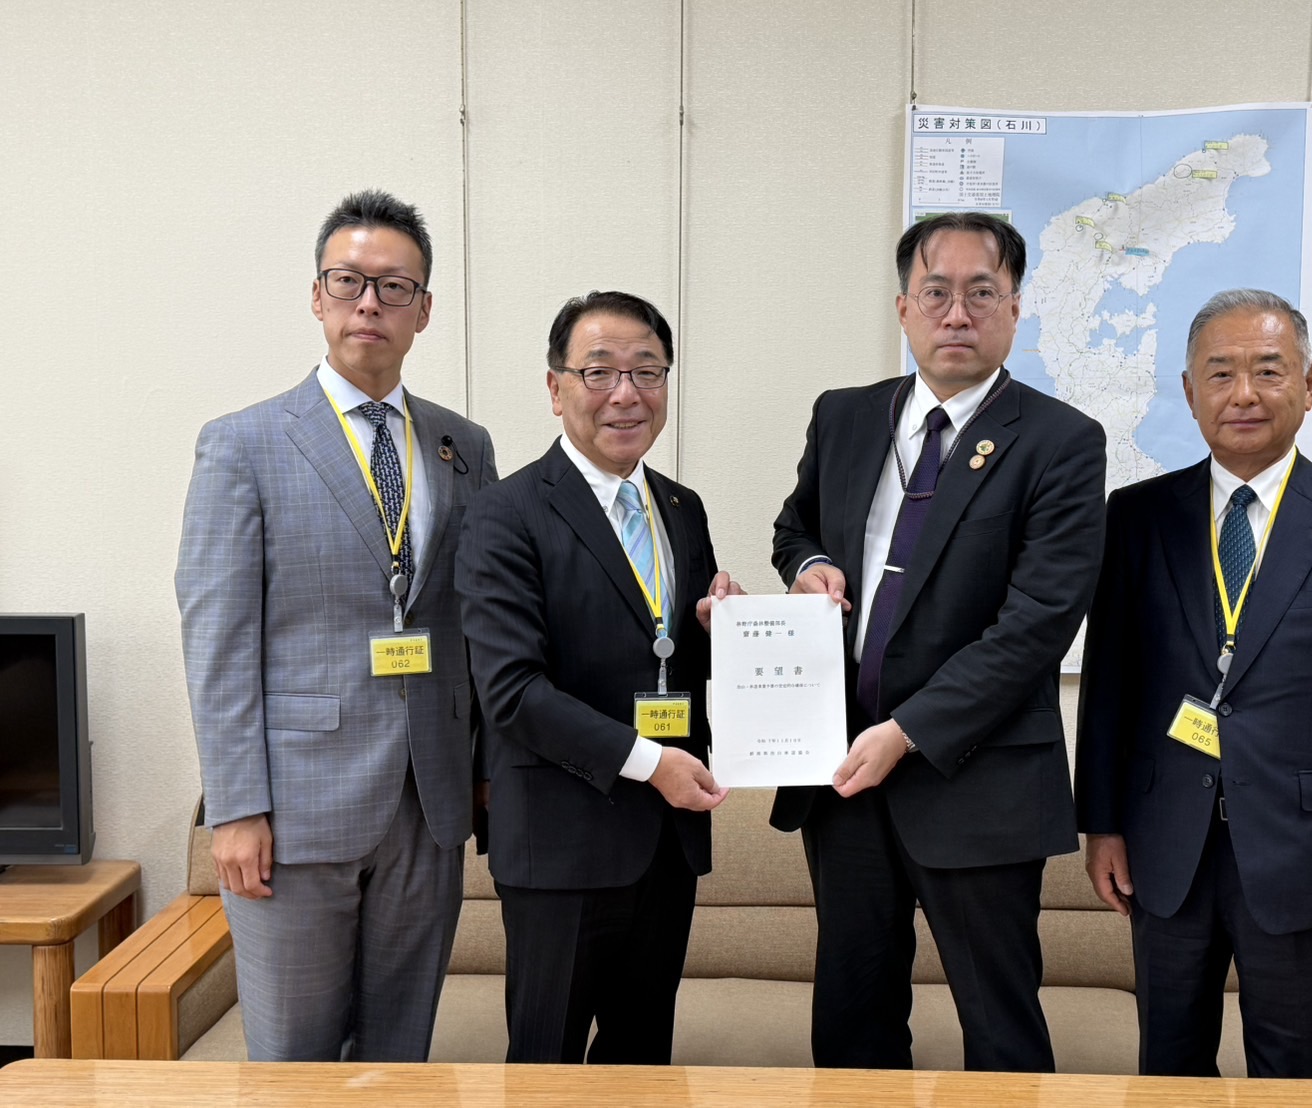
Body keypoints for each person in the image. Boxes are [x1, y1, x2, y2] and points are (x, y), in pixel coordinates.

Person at [770, 212, 1108, 1072]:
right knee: (852, 1017)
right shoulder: (844, 416)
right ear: (902, 307)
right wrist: (809, 564)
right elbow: (794, 523)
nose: (956, 313)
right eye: (936, 292)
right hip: (844, 774)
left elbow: (1036, 623)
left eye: (980, 293)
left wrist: (907, 732)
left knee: (998, 1025)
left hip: (980, 776)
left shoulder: (1062, 442)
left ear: (1014, 310)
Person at [1075, 288, 1312, 1078]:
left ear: (1307, 384)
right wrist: (1099, 822)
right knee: (1168, 1072)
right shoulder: (1136, 518)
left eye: (1267, 371)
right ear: (1188, 392)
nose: (1243, 393)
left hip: (1307, 855)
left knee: (1297, 1080)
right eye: (1221, 372)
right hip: (1165, 846)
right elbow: (1110, 688)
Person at [175, 189, 497, 1061]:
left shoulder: (462, 445)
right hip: (294, 806)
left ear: (424, 311)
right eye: (348, 281)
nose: (369, 303)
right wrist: (235, 808)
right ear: (317, 296)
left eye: (395, 288)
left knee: (401, 1055)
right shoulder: (242, 444)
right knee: (294, 1060)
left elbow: (475, 620)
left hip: (425, 806)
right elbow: (218, 638)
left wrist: (477, 775)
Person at [457, 290, 740, 1064]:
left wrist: (727, 633)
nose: (627, 394)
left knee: (641, 1061)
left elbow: (668, 655)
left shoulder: (681, 508)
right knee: (546, 1066)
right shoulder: (504, 513)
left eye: (648, 371)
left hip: (666, 843)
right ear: (555, 388)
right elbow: (511, 692)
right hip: (561, 843)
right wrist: (652, 765)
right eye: (600, 371)